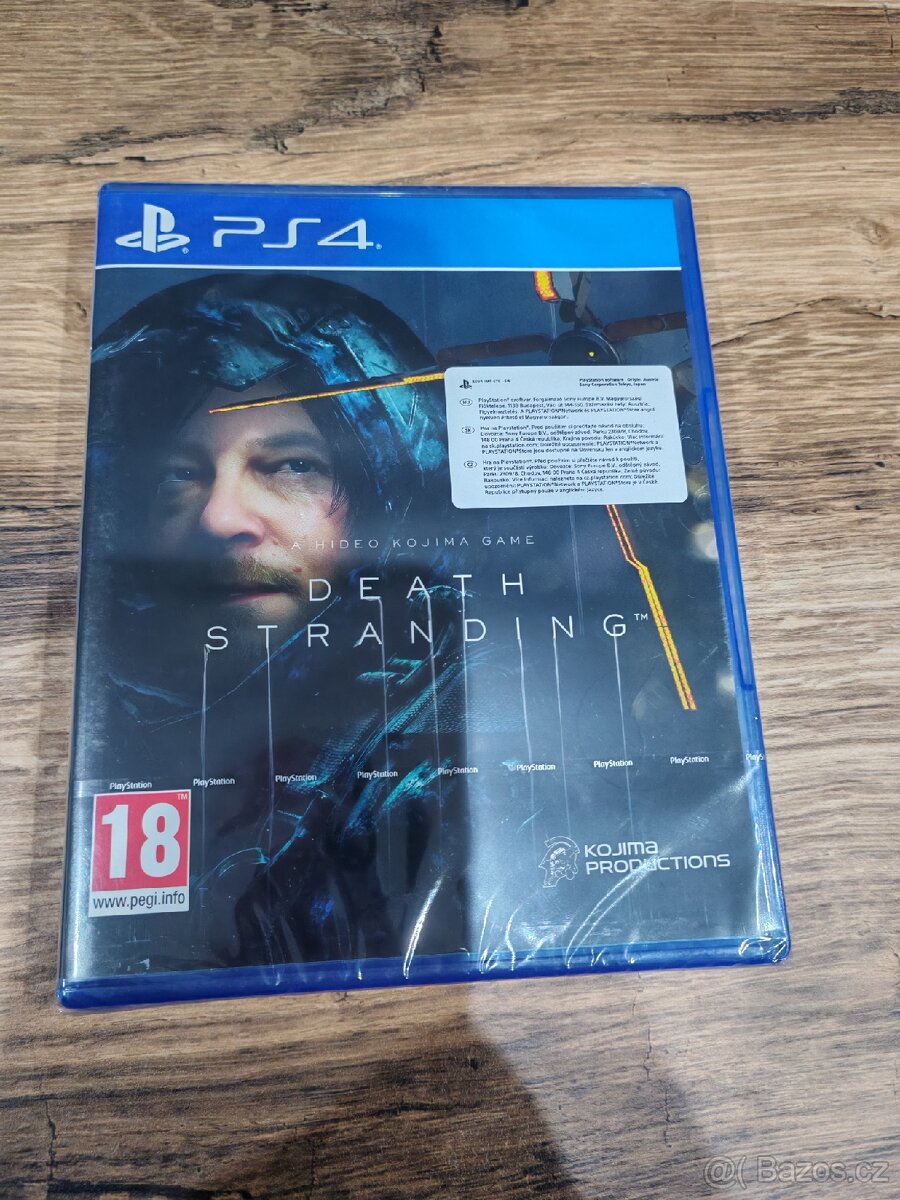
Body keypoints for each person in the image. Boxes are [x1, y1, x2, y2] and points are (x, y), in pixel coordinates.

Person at [82, 273, 476, 972]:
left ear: (391, 495)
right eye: (178, 475)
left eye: (293, 465)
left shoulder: (469, 752)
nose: (219, 517)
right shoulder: (97, 729)